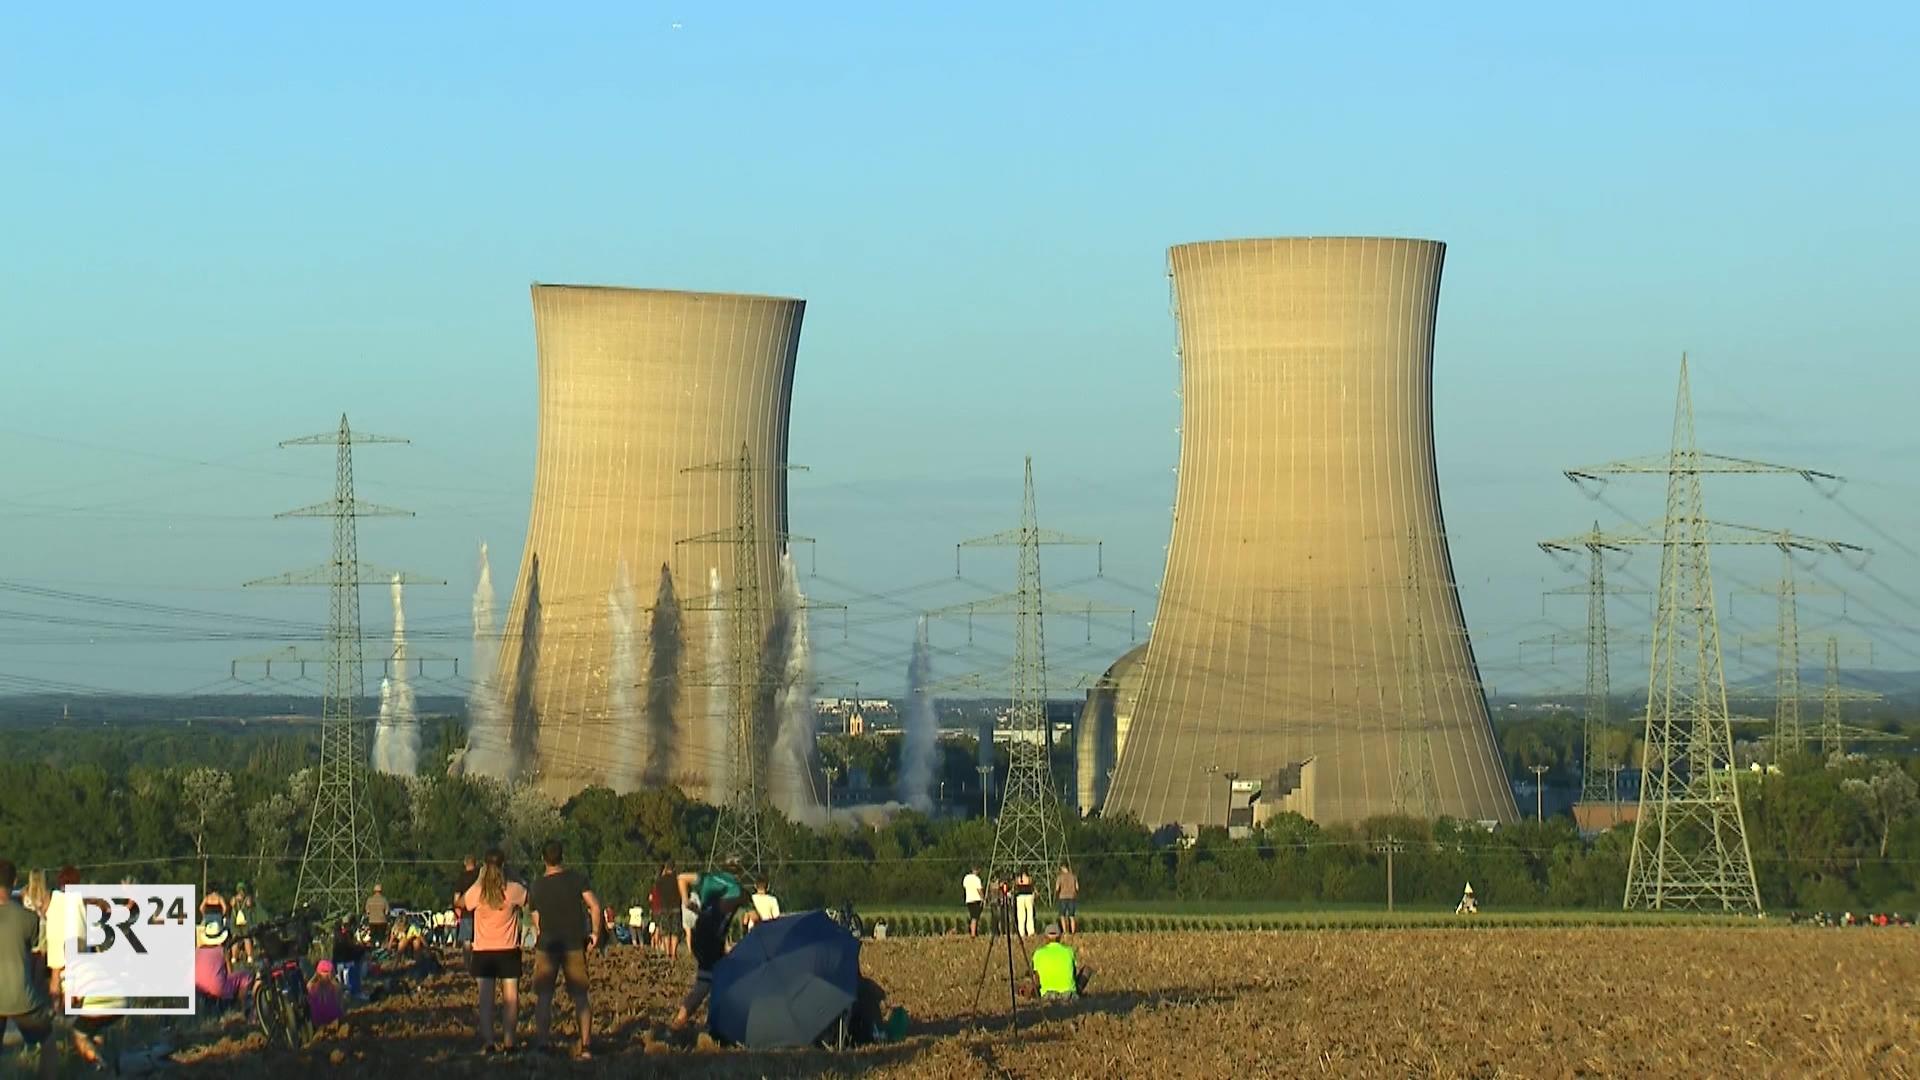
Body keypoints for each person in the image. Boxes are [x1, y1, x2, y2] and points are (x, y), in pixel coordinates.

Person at [527, 840, 600, 1060]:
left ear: (543, 859)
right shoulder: (577, 879)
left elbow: (536, 920)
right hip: (574, 943)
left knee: (544, 997)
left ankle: (542, 1045)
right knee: (580, 996)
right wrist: (595, 933)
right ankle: (586, 1046)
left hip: (547, 945)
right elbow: (595, 905)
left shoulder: (537, 886)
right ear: (562, 856)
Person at [463, 849, 528, 1056]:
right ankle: (510, 1043)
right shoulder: (511, 889)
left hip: (483, 952)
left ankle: (489, 1043)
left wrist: (478, 879)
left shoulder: (479, 892)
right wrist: (513, 874)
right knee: (511, 998)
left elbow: (462, 902)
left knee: (486, 1002)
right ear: (503, 865)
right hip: (508, 950)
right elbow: (527, 896)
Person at [670, 864, 748, 1032]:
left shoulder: (707, 877)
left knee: (709, 980)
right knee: (710, 983)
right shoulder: (736, 888)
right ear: (739, 874)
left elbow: (681, 877)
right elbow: (735, 909)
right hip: (713, 938)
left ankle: (684, 1022)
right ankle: (691, 1024)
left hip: (701, 934)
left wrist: (686, 901)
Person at [0, 859, 54, 1064]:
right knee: (48, 1043)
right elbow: (36, 952)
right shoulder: (28, 918)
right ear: (14, 881)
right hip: (22, 997)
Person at [193, 913, 249, 1006]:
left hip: (198, 987)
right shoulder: (223, 951)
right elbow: (230, 972)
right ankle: (241, 1006)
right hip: (217, 988)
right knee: (245, 976)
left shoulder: (198, 950)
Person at [1031, 922, 1090, 999]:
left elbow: (1037, 979)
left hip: (1047, 995)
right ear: (1060, 937)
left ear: (1045, 937)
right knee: (1087, 970)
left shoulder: (1038, 953)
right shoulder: (1069, 951)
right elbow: (1074, 973)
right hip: (1069, 995)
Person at [452, 855, 479, 963]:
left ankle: (468, 964)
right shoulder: (480, 876)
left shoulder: (461, 877)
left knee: (466, 941)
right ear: (475, 863)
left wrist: (457, 908)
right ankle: (478, 962)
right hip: (480, 912)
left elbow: (456, 897)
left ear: (465, 864)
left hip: (466, 912)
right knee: (478, 940)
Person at [306, 960, 345, 1027]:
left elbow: (309, 983)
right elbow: (340, 1004)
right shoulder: (336, 987)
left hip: (318, 1022)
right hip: (335, 1020)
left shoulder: (311, 987)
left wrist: (315, 975)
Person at [1054, 862, 1079, 935]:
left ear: (1063, 868)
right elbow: (1077, 887)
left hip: (1063, 897)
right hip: (1072, 897)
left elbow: (1057, 888)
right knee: (1071, 916)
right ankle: (1073, 932)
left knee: (1062, 915)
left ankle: (1065, 932)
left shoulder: (1060, 877)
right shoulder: (1073, 876)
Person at [1013, 869, 1036, 938]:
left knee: (1021, 916)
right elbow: (1032, 887)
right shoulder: (1029, 879)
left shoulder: (1018, 879)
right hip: (1028, 896)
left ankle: (1021, 932)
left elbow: (1015, 887)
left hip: (1020, 897)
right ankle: (1030, 931)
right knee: (1030, 915)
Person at [962, 867, 984, 938]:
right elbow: (979, 890)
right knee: (975, 917)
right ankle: (973, 934)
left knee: (972, 916)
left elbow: (965, 887)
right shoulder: (977, 879)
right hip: (976, 899)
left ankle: (973, 931)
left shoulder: (966, 878)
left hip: (968, 899)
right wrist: (983, 898)